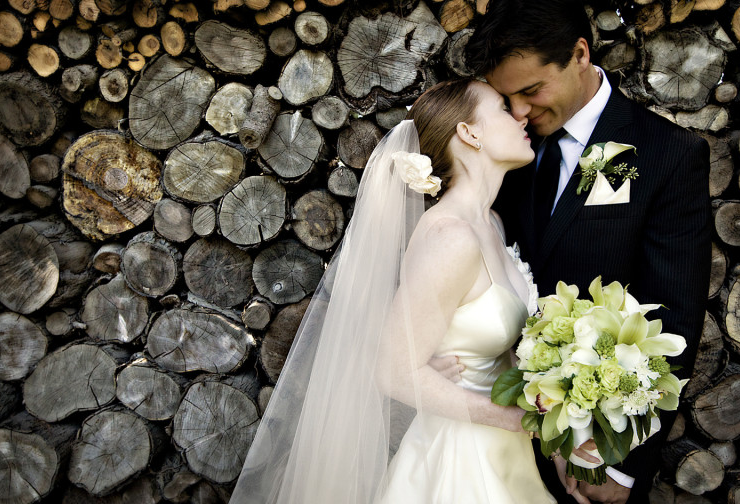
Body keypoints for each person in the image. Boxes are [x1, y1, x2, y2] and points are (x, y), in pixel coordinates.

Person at [230, 77, 571, 503]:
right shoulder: (452, 237)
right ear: (469, 133)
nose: (521, 114)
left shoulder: (492, 224)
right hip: (459, 461)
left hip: (505, 451)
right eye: (503, 108)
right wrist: (508, 418)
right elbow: (393, 370)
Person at [462, 0, 712, 503]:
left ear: (580, 53)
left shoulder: (666, 156)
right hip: (491, 437)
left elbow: (672, 319)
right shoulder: (503, 144)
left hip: (593, 457)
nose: (519, 111)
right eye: (506, 97)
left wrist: (621, 465)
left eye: (531, 90)